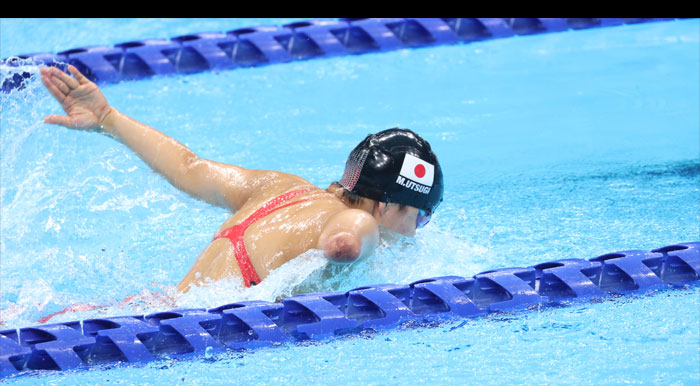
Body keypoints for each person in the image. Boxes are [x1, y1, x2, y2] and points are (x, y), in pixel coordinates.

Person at [39, 65, 444, 294]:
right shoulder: (362, 222)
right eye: (420, 217)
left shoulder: (282, 186)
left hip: (160, 307)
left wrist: (108, 118)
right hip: (194, 328)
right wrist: (359, 245)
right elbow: (347, 239)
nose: (419, 230)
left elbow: (188, 167)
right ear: (386, 205)